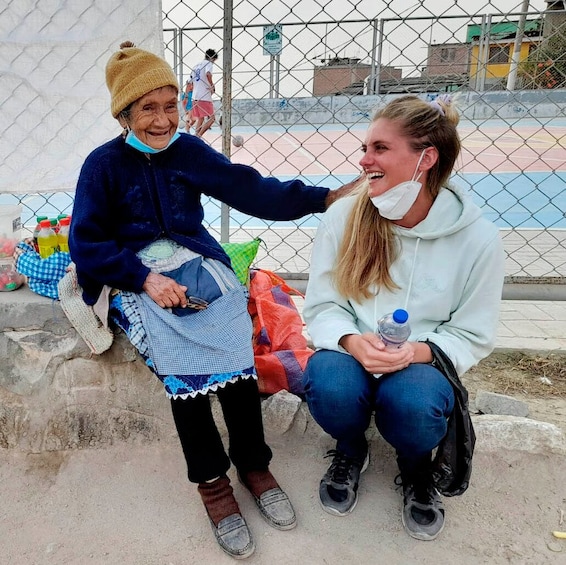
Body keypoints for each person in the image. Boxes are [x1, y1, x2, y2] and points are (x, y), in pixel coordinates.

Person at [69, 41, 361, 560]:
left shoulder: (187, 151)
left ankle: (253, 465)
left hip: (195, 261)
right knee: (186, 372)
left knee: (235, 344)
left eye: (169, 105)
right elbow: (86, 244)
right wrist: (143, 279)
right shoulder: (103, 166)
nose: (162, 121)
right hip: (134, 272)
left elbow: (253, 190)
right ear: (124, 114)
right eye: (147, 109)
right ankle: (213, 485)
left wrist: (324, 197)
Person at [302, 95, 505, 541]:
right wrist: (352, 341)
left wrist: (418, 352)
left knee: (415, 407)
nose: (364, 159)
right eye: (365, 148)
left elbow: (473, 331)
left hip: (421, 361)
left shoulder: (479, 240)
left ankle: (416, 466)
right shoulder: (344, 218)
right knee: (329, 385)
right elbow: (321, 306)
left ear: (425, 158)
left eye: (379, 148)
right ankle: (351, 449)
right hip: (352, 347)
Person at [191, 48, 218, 138]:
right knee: (212, 118)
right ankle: (199, 135)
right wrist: (212, 85)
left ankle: (195, 136)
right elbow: (208, 74)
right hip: (204, 96)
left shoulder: (196, 65)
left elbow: (190, 80)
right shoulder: (208, 63)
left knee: (200, 118)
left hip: (195, 96)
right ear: (212, 58)